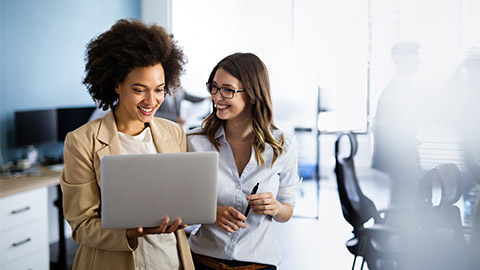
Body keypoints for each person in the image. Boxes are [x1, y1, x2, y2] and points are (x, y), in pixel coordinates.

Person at [60, 19, 194, 270]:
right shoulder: (81, 141)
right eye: (139, 89)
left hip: (169, 261)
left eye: (159, 89)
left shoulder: (174, 133)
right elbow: (81, 226)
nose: (151, 100)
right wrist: (130, 233)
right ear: (116, 85)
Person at [187, 53, 301, 269]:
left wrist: (275, 208)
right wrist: (210, 213)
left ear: (252, 94)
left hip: (259, 262)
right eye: (213, 87)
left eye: (227, 90)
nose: (216, 97)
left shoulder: (283, 145)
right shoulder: (194, 142)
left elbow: (288, 208)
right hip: (203, 260)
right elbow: (178, 203)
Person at [372, 41, 423, 206]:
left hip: (403, 155)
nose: (419, 62)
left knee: (403, 198)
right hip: (402, 156)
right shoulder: (399, 90)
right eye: (416, 58)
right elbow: (395, 130)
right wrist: (405, 156)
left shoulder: (400, 87)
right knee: (404, 201)